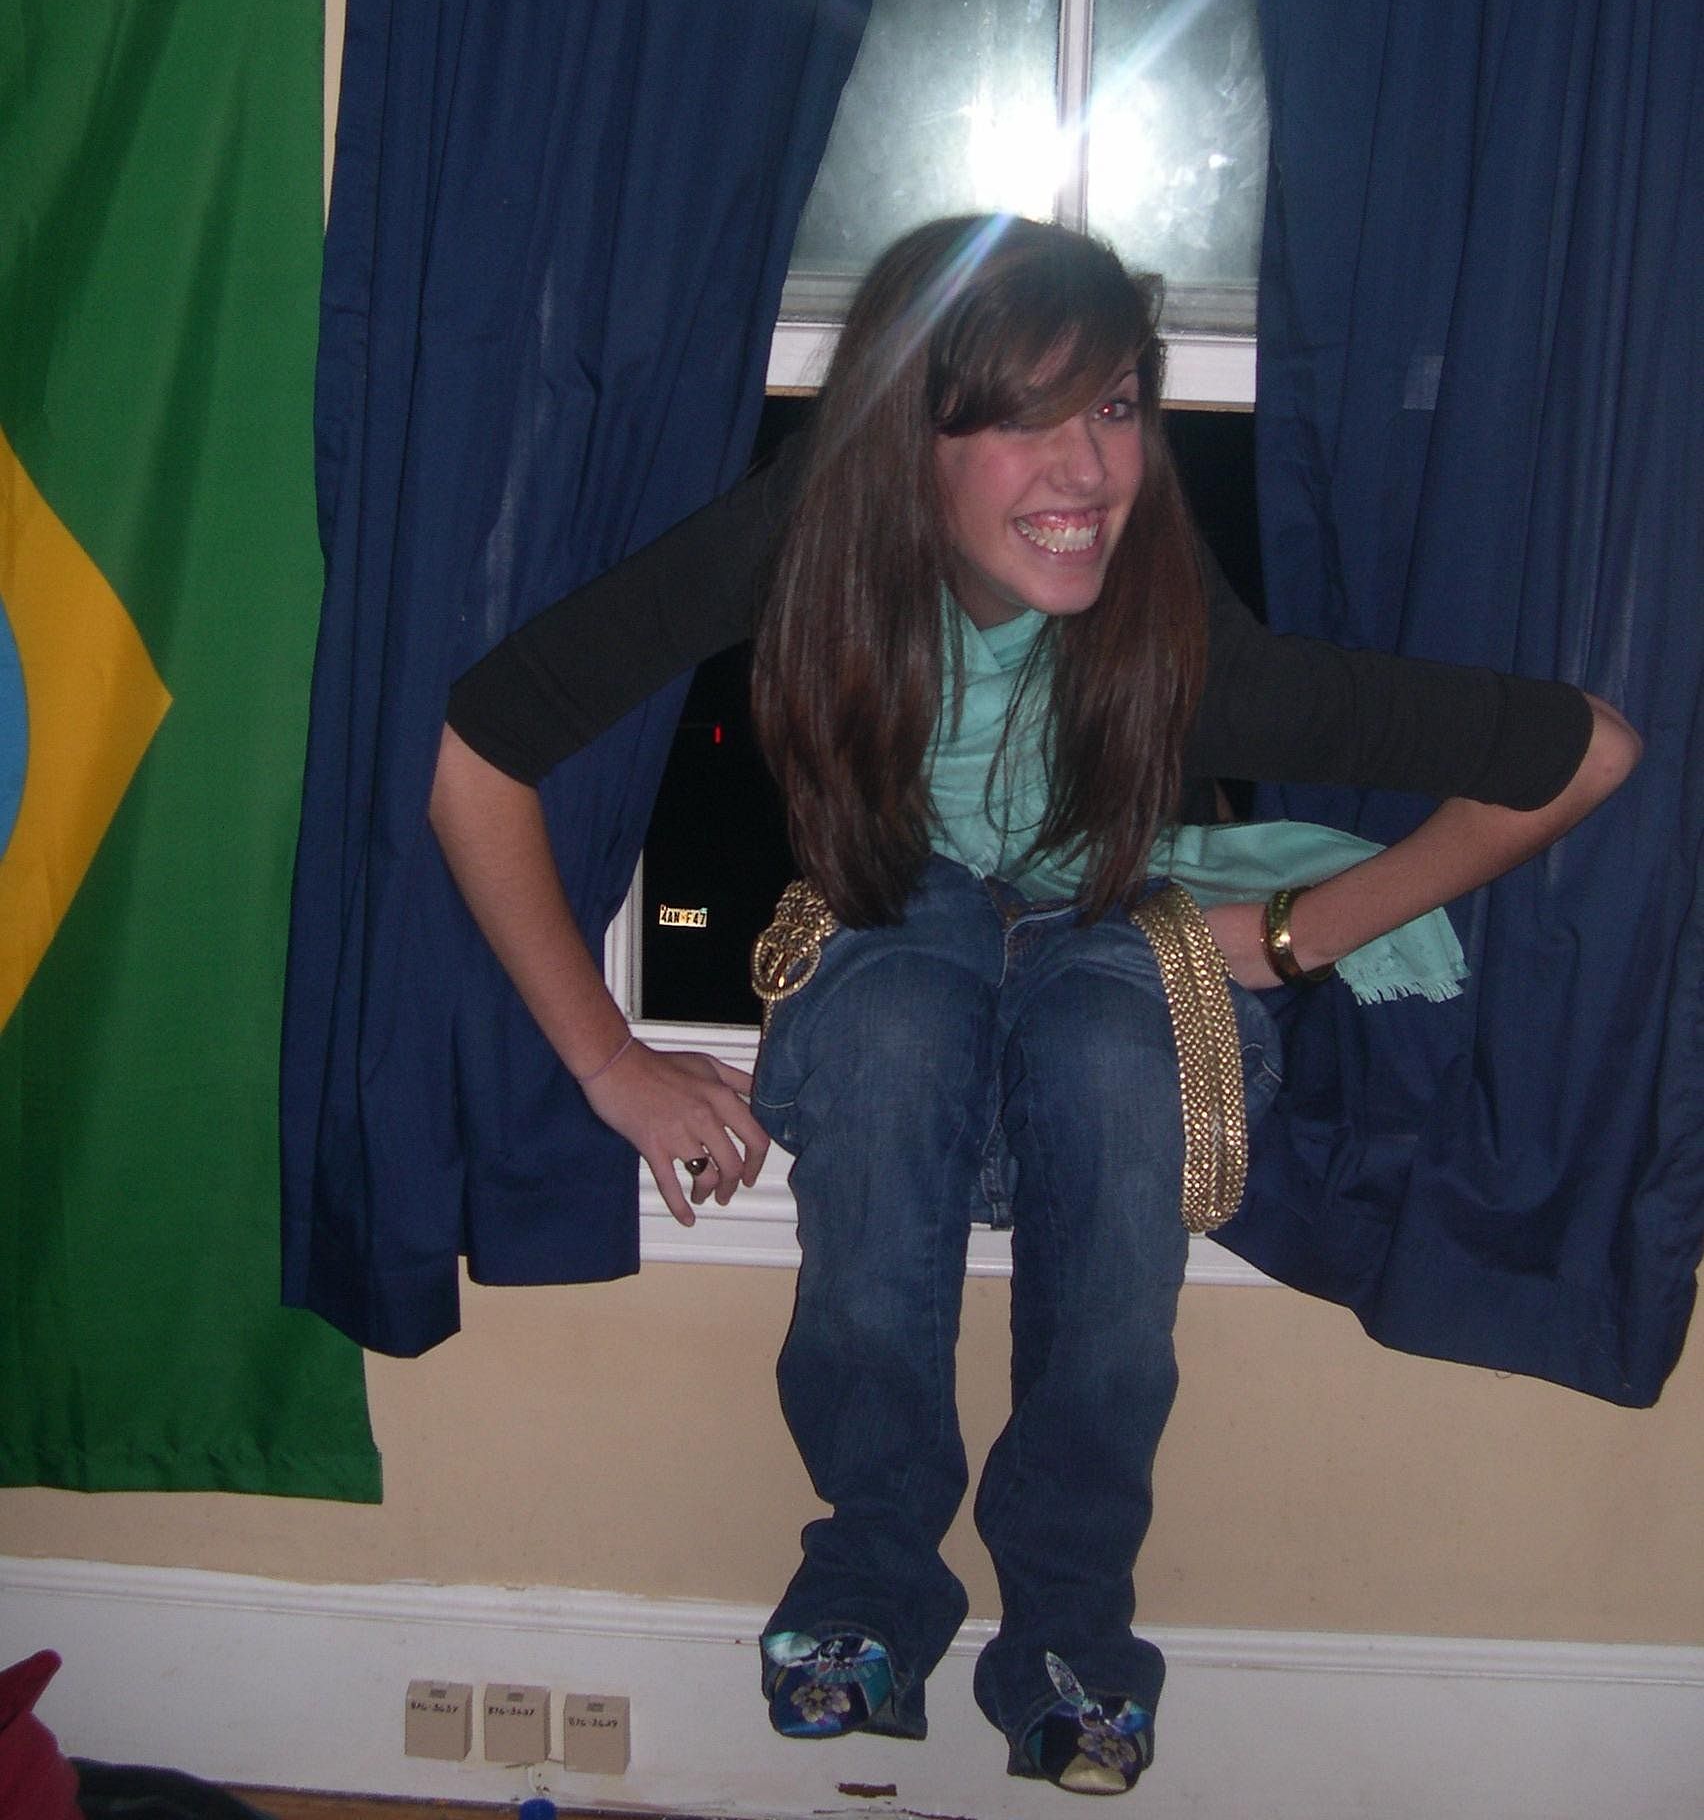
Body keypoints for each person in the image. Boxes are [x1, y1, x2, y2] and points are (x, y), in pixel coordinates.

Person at [430, 215, 1639, 1796]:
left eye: (1118, 406)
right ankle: (871, 1580)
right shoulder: (808, 535)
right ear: (908, 437)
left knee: (1113, 1058)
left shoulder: (1179, 635)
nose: (1089, 470)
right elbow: (482, 756)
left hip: (1115, 907)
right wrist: (608, 1061)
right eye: (1024, 417)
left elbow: (1586, 751)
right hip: (897, 903)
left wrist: (1285, 935)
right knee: (893, 1035)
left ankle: (1072, 1633)